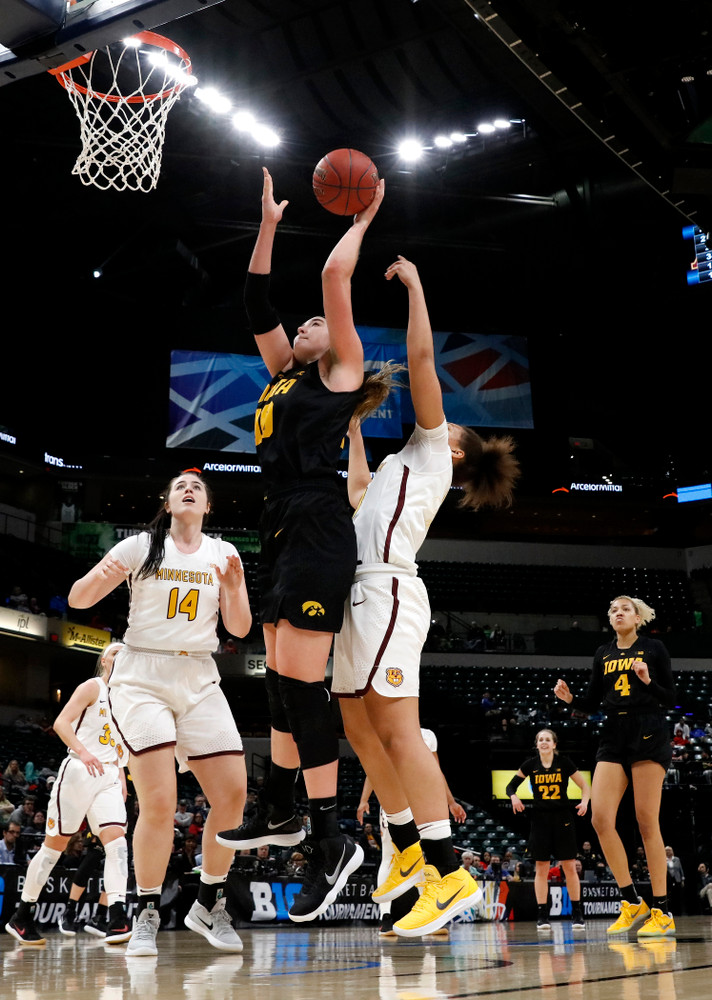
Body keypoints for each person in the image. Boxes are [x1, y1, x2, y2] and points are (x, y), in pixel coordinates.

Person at [215, 168, 399, 924]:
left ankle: (330, 841)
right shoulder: (280, 378)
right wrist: (266, 224)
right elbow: (256, 300)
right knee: (275, 681)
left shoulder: (339, 374)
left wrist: (363, 215)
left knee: (299, 684)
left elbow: (331, 274)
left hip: (320, 523)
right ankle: (282, 808)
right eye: (301, 328)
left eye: (313, 327)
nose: (302, 328)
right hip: (280, 525)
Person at [331, 256, 519, 937]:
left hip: (388, 591)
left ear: (460, 453)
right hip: (358, 593)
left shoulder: (436, 449)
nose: (443, 416)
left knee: (397, 727)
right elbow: (356, 493)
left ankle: (448, 870)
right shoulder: (393, 470)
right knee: (357, 725)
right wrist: (351, 426)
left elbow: (419, 358)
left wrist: (416, 287)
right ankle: (408, 849)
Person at [69, 469, 251, 957]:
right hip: (142, 677)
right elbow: (77, 598)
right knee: (160, 803)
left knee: (233, 795)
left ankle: (208, 903)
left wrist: (235, 589)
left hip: (199, 677)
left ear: (207, 506)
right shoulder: (140, 546)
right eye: (178, 488)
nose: (188, 490)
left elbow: (238, 627)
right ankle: (146, 911)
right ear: (168, 504)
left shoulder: (224, 553)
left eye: (197, 488)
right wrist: (106, 573)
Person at [555, 595, 677, 938]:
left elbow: (671, 697)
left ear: (637, 618)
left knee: (645, 820)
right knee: (600, 818)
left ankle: (662, 910)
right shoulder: (602, 653)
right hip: (612, 733)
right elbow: (593, 702)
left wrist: (647, 679)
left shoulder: (654, 648)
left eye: (624, 609)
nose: (618, 613)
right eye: (612, 610)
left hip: (648, 730)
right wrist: (571, 701)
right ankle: (631, 901)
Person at [5, 643, 131, 947]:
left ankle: (115, 918)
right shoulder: (92, 686)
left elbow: (123, 745)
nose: (121, 657)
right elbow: (61, 723)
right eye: (116, 653)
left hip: (110, 775)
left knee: (117, 845)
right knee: (53, 849)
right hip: (79, 770)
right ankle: (22, 916)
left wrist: (123, 777)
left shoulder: (130, 699)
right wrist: (85, 753)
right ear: (104, 660)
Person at [355, 726, 466, 936]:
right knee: (389, 856)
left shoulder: (427, 735)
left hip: (421, 799)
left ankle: (428, 915)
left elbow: (436, 771)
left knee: (424, 858)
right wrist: (363, 800)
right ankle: (385, 917)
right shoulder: (383, 731)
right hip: (393, 800)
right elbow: (375, 769)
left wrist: (450, 801)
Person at [505, 728, 590, 930]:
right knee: (541, 869)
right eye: (540, 739)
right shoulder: (530, 764)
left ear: (554, 744)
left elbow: (585, 786)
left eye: (547, 739)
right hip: (540, 820)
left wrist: (585, 802)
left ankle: (577, 914)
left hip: (563, 818)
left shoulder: (564, 763)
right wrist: (514, 797)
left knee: (569, 867)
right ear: (537, 745)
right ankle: (542, 915)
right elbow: (510, 787)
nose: (544, 742)